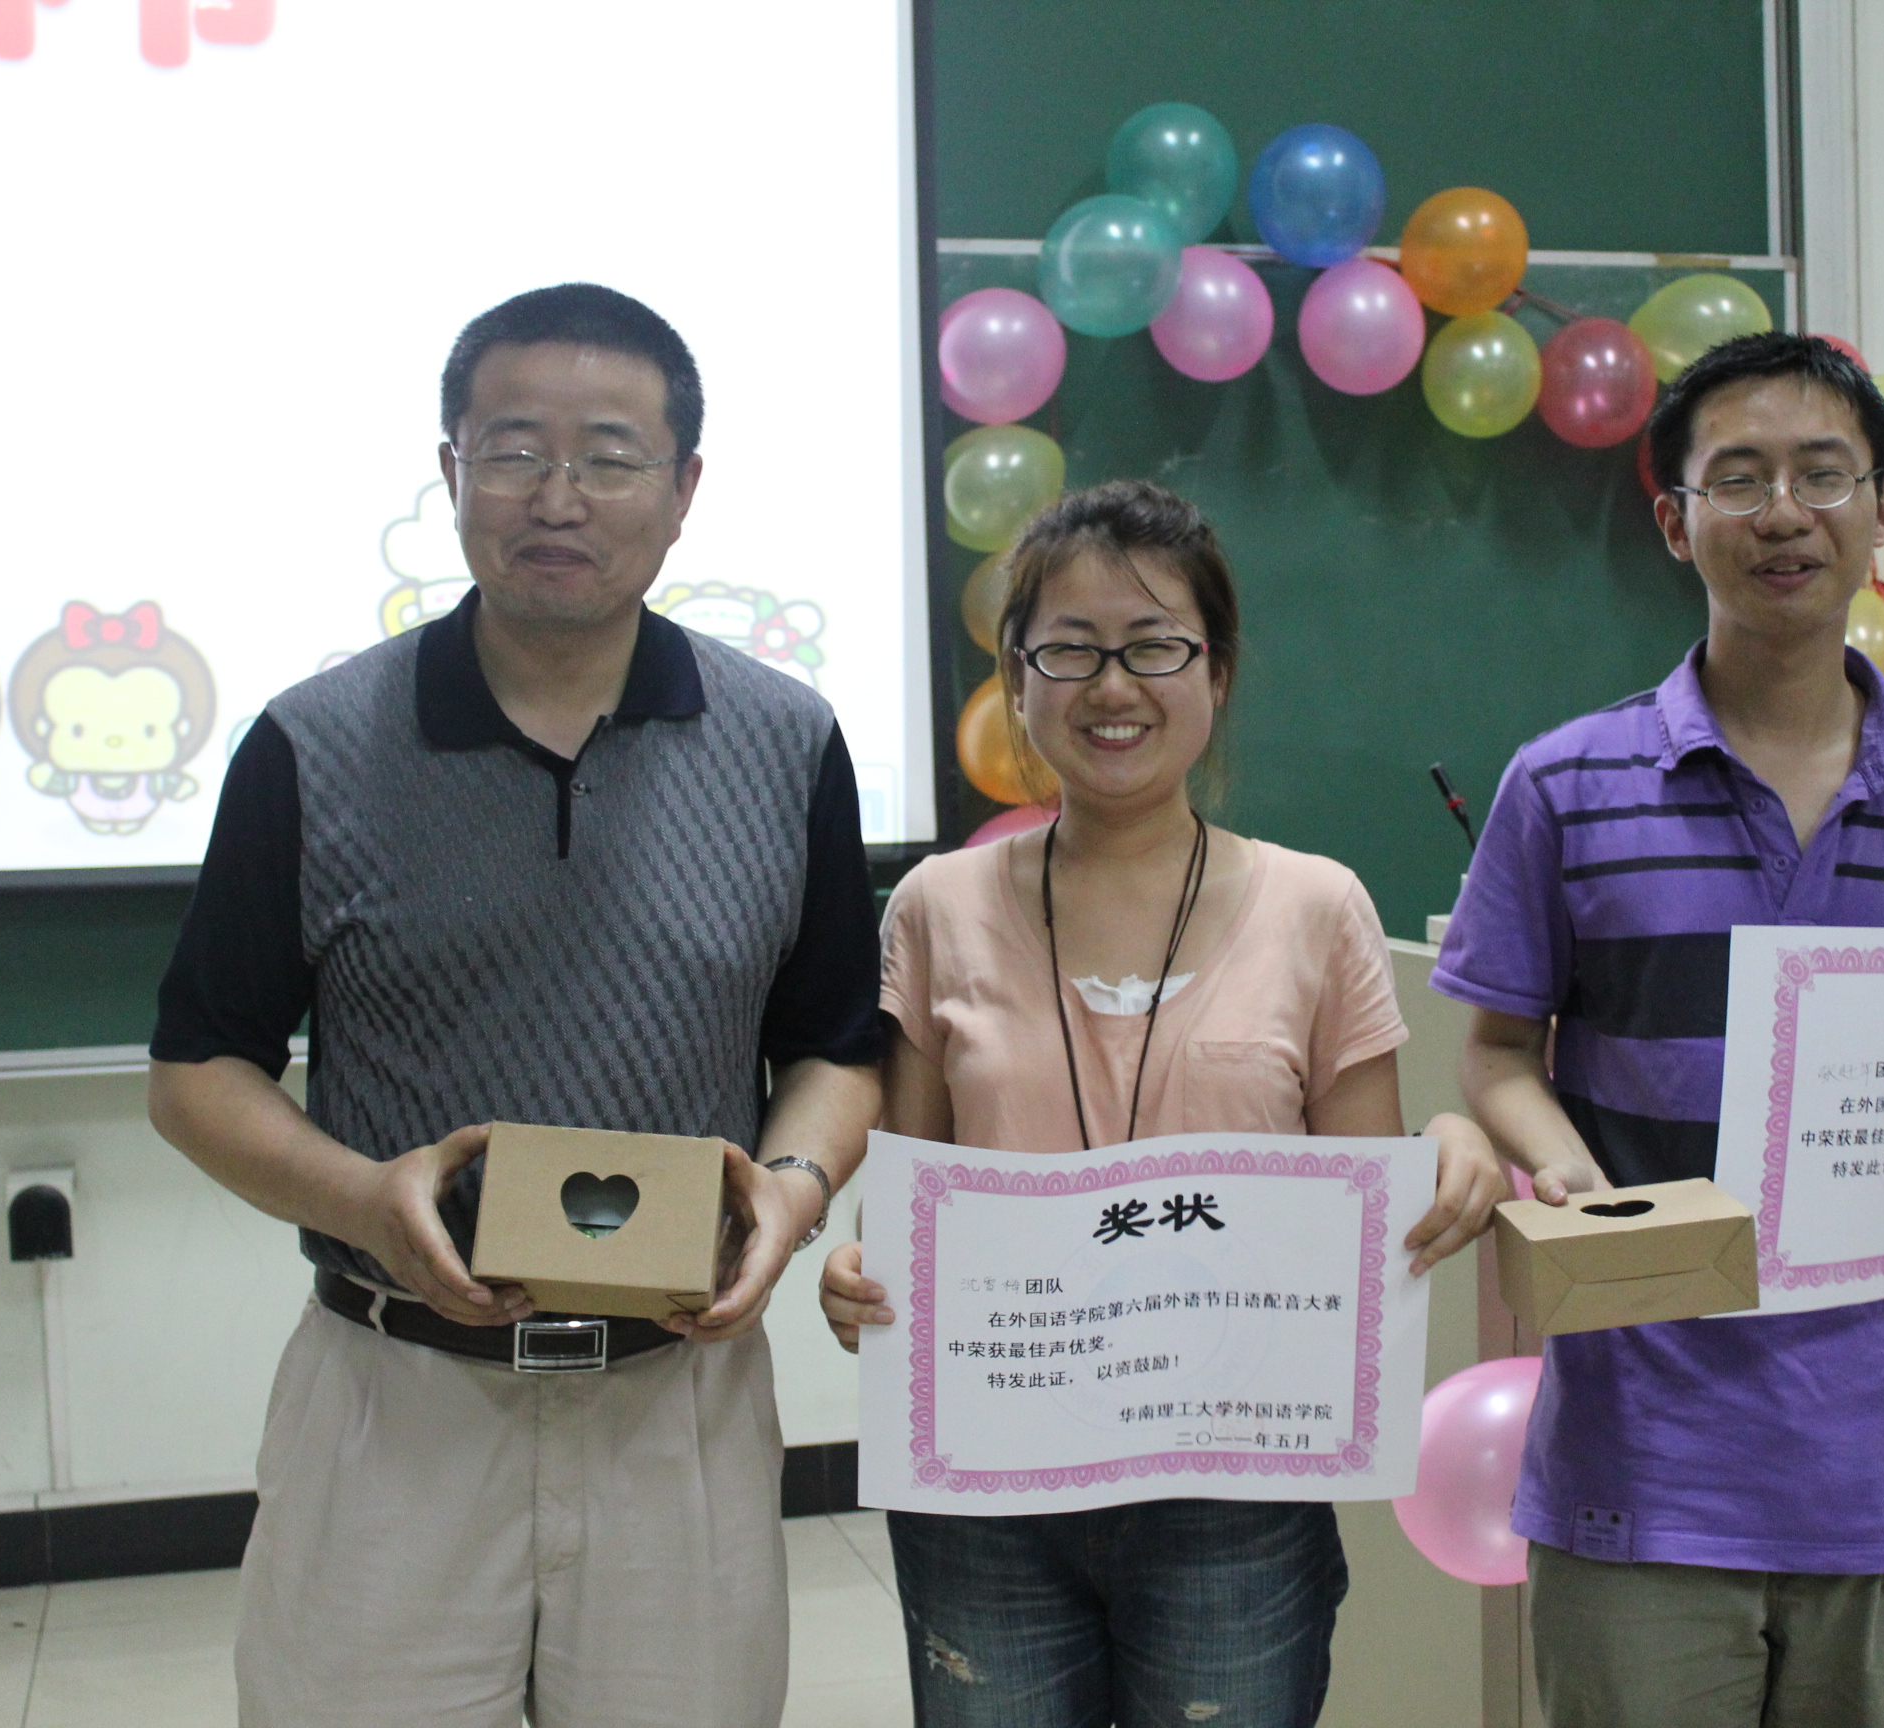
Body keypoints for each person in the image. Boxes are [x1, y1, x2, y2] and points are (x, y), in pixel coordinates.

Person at [147, 282, 885, 1728]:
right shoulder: (312, 744)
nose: (558, 497)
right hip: (395, 1399)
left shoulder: (786, 742)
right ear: (450, 473)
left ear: (683, 491)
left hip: (677, 1400)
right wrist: (367, 1201)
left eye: (609, 457)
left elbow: (836, 1047)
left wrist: (791, 1195)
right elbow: (197, 1072)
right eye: (513, 452)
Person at [1433, 333, 1884, 1728]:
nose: (1784, 514)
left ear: (1883, 508)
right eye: (1738, 479)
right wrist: (1564, 1168)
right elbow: (1498, 1050)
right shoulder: (1565, 785)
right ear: (1674, 521)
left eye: (1823, 474)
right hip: (1640, 1466)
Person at [820, 479, 1511, 1728]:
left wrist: (1448, 1143)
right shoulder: (936, 907)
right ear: (1017, 678)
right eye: (1069, 649)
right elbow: (914, 1198)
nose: (1113, 686)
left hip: (1233, 1497)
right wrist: (863, 1281)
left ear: (1218, 672)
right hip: (990, 1489)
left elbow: (1355, 1208)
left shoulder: (1317, 907)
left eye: (1154, 647)